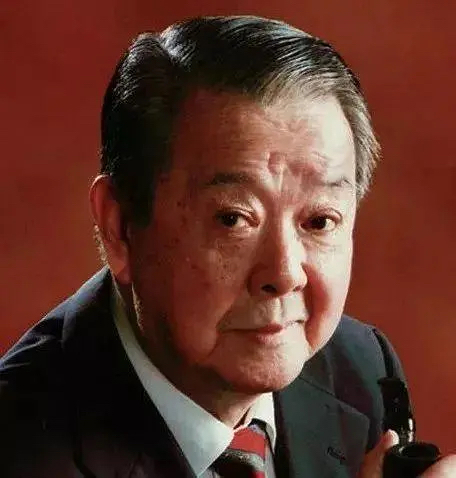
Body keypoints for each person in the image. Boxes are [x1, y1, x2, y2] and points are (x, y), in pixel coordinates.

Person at [0, 15, 454, 478]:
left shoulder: (360, 368)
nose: (284, 273)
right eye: (233, 219)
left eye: (319, 221)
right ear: (120, 227)